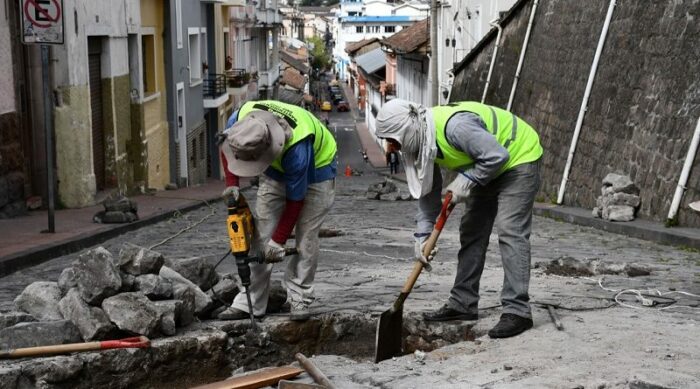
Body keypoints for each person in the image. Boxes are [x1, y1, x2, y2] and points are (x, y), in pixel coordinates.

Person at [375, 99, 543, 338]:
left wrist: (467, 179)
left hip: (517, 158)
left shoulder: (455, 127)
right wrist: (423, 236)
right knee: (472, 231)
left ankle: (518, 311)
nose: (391, 148)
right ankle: (463, 303)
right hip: (486, 164)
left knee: (510, 230)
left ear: (407, 129)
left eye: (392, 140)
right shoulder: (422, 142)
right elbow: (427, 193)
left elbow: (497, 155)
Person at [218, 100, 337, 321]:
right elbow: (227, 149)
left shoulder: (297, 149)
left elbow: (295, 201)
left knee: (306, 238)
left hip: (317, 172)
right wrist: (232, 184)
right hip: (275, 172)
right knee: (261, 233)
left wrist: (278, 242)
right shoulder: (240, 119)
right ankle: (250, 301)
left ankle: (299, 296)